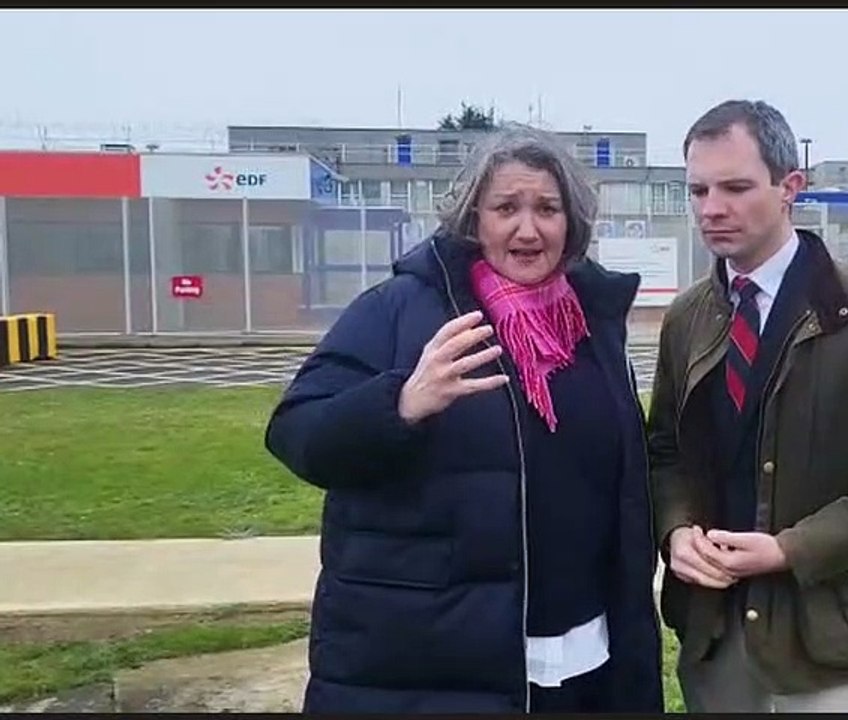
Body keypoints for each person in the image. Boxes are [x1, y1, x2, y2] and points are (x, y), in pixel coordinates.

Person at [264, 125, 663, 714]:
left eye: (547, 209)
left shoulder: (593, 323)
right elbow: (296, 432)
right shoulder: (400, 309)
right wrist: (401, 403)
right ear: (475, 218)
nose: (527, 229)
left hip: (585, 656)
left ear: (571, 222)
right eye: (506, 208)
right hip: (439, 663)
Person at [647, 99, 848, 713]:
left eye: (735, 188)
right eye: (698, 190)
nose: (711, 209)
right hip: (714, 631)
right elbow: (665, 454)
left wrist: (790, 550)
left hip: (823, 637)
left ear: (790, 187)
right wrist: (675, 530)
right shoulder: (686, 318)